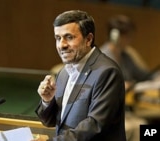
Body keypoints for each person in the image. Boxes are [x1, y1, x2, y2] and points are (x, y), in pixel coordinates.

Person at [35, 10, 126, 141]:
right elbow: (50, 121)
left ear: (88, 39)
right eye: (58, 38)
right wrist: (47, 101)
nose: (62, 45)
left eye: (69, 37)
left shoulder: (107, 72)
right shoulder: (64, 72)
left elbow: (95, 125)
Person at [99, 14, 152, 91]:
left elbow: (144, 76)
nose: (130, 40)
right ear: (115, 36)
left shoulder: (125, 55)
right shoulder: (102, 57)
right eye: (128, 36)